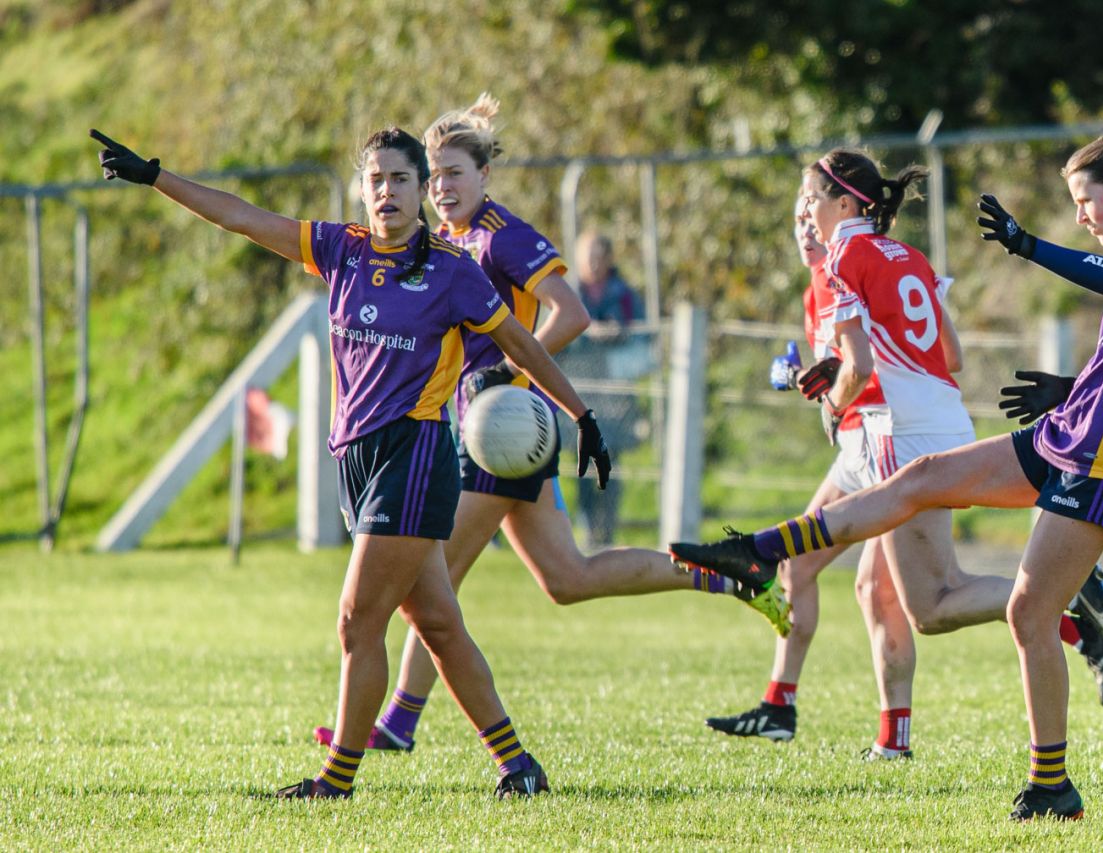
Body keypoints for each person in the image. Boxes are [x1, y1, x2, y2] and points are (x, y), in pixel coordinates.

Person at [672, 133, 1103, 821]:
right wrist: (1073, 387)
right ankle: (761, 550)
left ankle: (1052, 785)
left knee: (1026, 612)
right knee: (919, 477)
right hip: (1072, 433)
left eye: (1085, 202)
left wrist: (1028, 245)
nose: (1081, 217)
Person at [90, 125, 612, 800]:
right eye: (375, 180)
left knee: (354, 620)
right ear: (361, 189)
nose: (386, 192)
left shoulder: (452, 271)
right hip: (357, 460)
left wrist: (582, 416)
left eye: (400, 179)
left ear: (422, 190)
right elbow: (243, 217)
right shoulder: (339, 249)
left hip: (415, 454)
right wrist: (158, 176)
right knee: (440, 623)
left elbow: (522, 340)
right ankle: (519, 764)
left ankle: (336, 780)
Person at [310, 94, 788, 758]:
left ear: (483, 176)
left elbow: (570, 314)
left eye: (455, 173)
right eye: (436, 175)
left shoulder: (502, 235)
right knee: (568, 577)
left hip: (500, 424)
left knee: (432, 572)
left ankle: (399, 720)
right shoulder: (440, 243)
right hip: (485, 426)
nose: (443, 187)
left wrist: (512, 380)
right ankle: (728, 572)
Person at [702, 191, 921, 753]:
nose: (803, 224)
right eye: (795, 214)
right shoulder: (822, 283)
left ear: (843, 211)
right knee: (801, 568)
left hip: (886, 442)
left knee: (901, 596)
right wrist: (809, 377)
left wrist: (836, 390)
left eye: (811, 210)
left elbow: (879, 364)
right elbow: (853, 367)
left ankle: (1064, 614)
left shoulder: (846, 271)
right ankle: (780, 705)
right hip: (859, 447)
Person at [569, 229, 646, 548]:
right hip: (578, 394)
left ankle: (608, 529)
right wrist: (588, 336)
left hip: (615, 398)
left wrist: (617, 336)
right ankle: (588, 530)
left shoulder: (625, 295)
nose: (595, 264)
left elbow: (642, 338)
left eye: (600, 257)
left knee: (610, 462)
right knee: (581, 463)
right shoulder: (568, 293)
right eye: (589, 257)